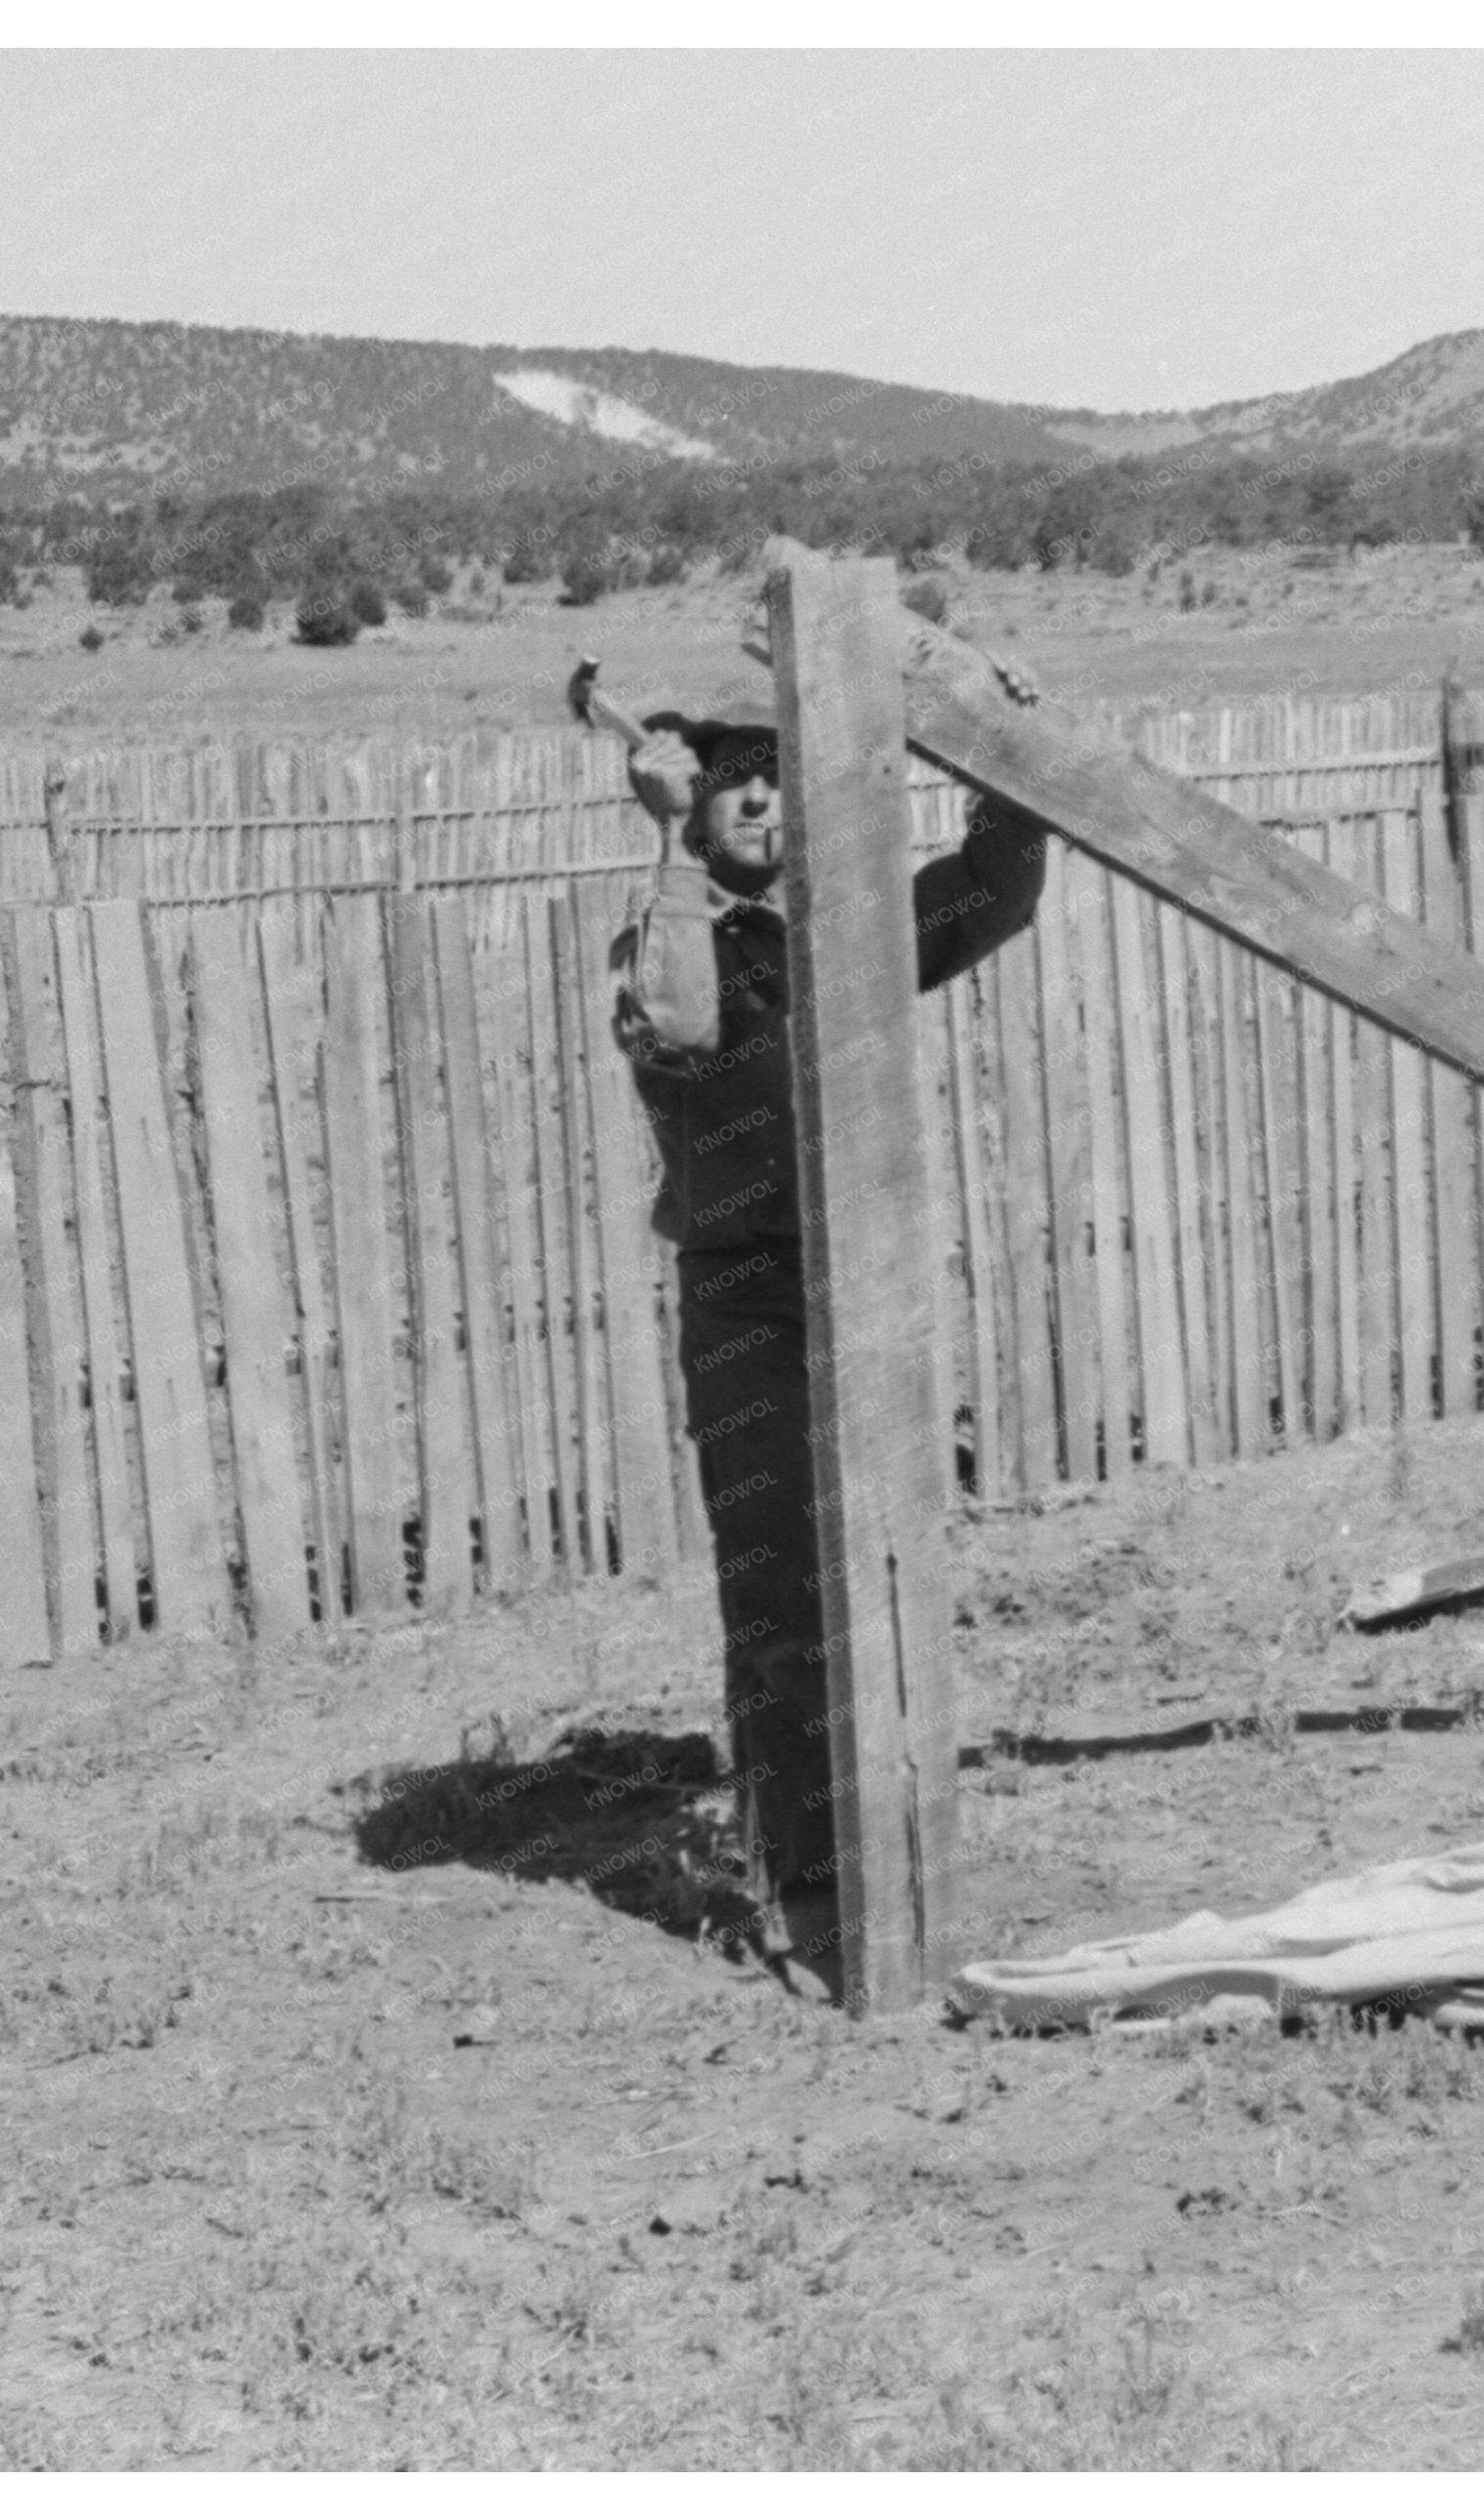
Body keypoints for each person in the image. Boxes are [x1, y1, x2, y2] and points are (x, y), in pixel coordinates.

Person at [609, 696, 1049, 1989]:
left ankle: (895, 1842)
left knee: (889, 1559)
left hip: (863, 1280)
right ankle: (802, 1874)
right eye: (731, 783)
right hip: (745, 1291)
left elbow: (990, 893)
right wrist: (671, 844)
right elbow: (685, 1026)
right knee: (778, 1576)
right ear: (696, 804)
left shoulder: (849, 943)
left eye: (775, 782)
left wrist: (1006, 775)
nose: (756, 801)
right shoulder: (661, 930)